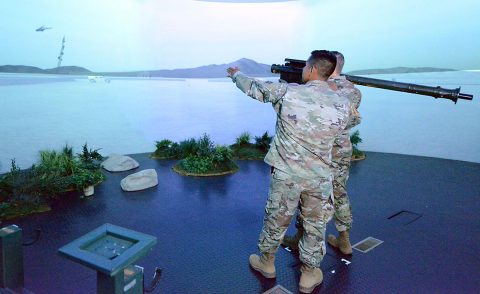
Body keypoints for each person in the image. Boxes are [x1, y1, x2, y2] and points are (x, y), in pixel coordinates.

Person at [227, 50, 352, 293]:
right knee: (315, 225)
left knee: (276, 218)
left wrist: (236, 74)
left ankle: (267, 263)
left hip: (287, 174)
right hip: (319, 177)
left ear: (313, 69)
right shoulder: (343, 102)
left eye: (306, 66)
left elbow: (255, 88)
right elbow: (347, 124)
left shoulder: (288, 92)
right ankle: (308, 274)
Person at [282, 51, 362, 255]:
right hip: (341, 149)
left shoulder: (323, 89)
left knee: (308, 192)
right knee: (339, 192)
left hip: (319, 150)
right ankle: (344, 240)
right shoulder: (353, 90)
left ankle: (302, 239)